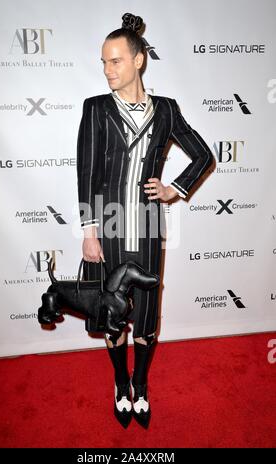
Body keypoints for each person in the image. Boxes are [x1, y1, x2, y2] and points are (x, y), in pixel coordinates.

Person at [76, 13, 214, 429]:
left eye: (115, 61)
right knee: (114, 312)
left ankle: (141, 381)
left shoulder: (167, 110)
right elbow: (86, 172)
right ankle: (120, 382)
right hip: (111, 226)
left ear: (138, 61)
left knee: (148, 314)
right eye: (103, 62)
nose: (107, 70)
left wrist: (176, 188)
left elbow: (203, 155)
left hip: (151, 225)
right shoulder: (96, 109)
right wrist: (89, 230)